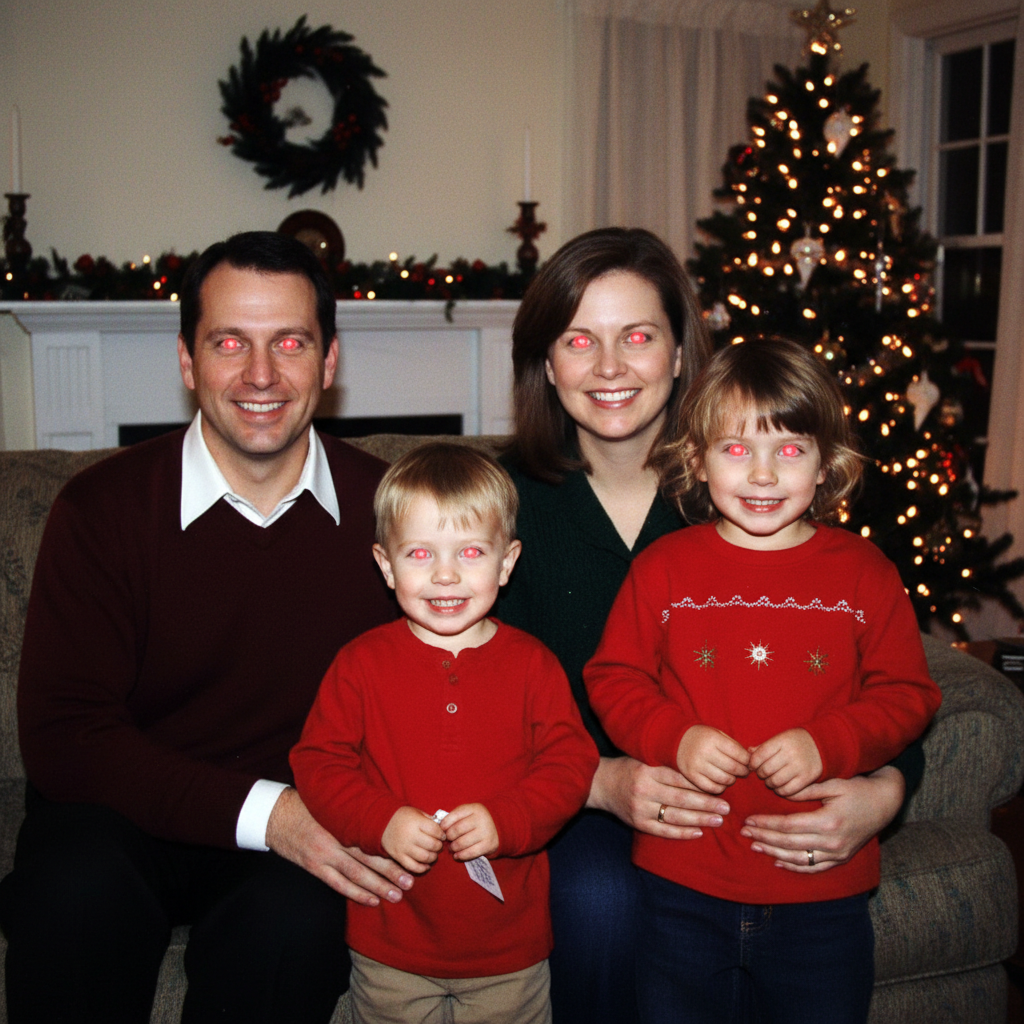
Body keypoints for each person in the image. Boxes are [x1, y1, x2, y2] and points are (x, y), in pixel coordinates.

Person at [495, 227, 921, 1024]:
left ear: (682, 352)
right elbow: (469, 693)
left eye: (639, 337)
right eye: (580, 340)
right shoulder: (502, 506)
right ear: (547, 364)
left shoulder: (747, 493)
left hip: (755, 822)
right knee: (597, 897)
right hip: (575, 796)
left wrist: (885, 793)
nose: (611, 366)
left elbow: (886, 681)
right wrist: (601, 782)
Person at [0, 231, 413, 1024]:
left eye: (290, 342)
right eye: (230, 342)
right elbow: (63, 736)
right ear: (189, 363)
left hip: (300, 831)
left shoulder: (396, 511)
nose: (261, 375)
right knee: (70, 894)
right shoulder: (101, 510)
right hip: (117, 820)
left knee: (299, 924)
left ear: (329, 363)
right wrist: (269, 813)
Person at [585, 337, 942, 1023]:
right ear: (697, 460)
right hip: (681, 881)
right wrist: (675, 738)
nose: (763, 475)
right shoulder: (663, 567)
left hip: (823, 890)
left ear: (826, 464)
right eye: (736, 448)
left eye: (789, 449)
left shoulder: (865, 571)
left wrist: (831, 744)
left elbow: (909, 695)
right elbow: (614, 676)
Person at [291, 442, 598, 1024]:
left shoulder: (534, 664)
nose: (446, 574)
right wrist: (380, 819)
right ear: (385, 565)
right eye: (421, 553)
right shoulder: (360, 664)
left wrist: (506, 819)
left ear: (507, 563)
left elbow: (570, 767)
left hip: (510, 947)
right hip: (391, 941)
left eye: (472, 551)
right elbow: (319, 765)